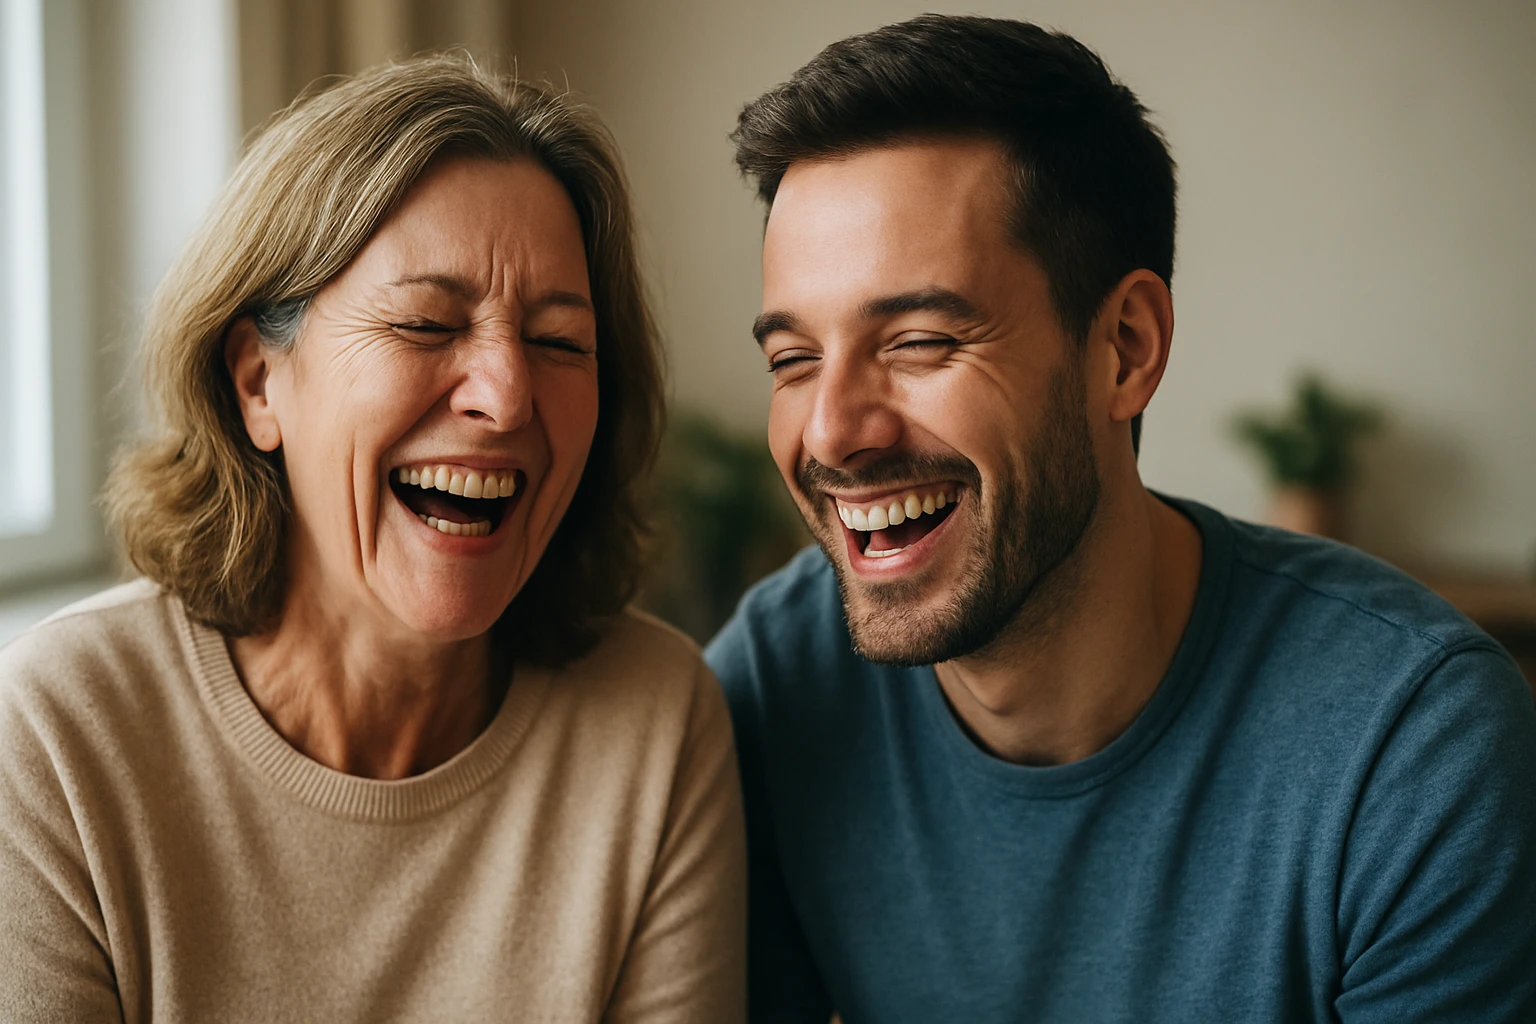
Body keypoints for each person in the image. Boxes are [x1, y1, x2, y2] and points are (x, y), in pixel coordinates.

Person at [706, 14, 1536, 1023]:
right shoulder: (774, 688)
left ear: (1127, 349)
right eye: (792, 361)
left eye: (919, 340)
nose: (832, 428)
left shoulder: (1412, 750)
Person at [0, 55, 745, 1022]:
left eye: (560, 342)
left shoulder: (657, 721)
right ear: (259, 383)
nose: (507, 393)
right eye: (426, 323)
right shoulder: (59, 733)